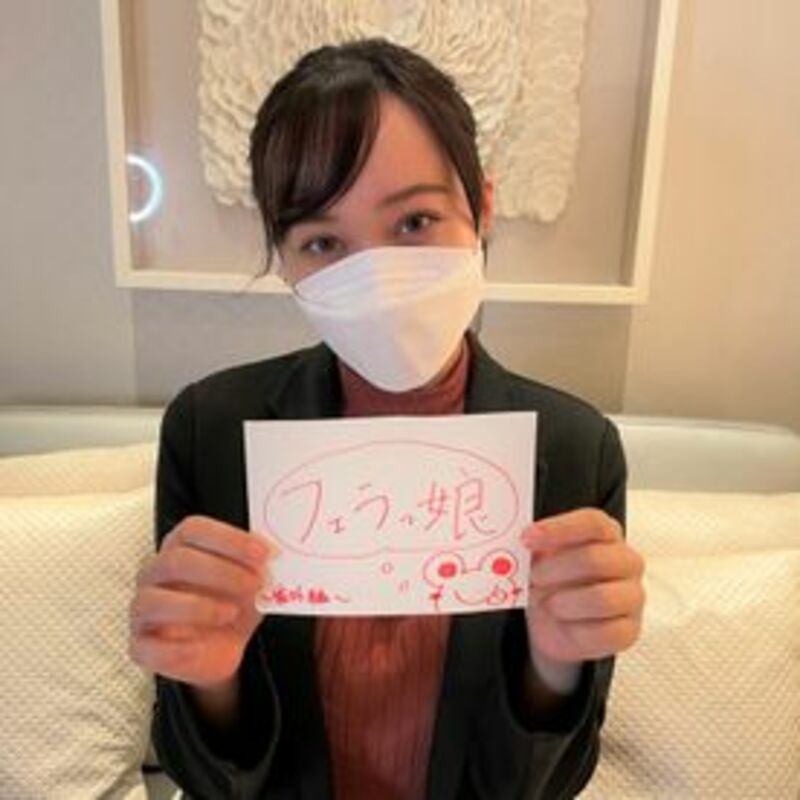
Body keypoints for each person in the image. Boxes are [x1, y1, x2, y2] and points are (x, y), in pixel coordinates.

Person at [129, 38, 645, 800]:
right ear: (283, 258)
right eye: (323, 241)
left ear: (482, 208)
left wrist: (554, 664)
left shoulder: (575, 449)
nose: (374, 275)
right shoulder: (211, 430)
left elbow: (545, 784)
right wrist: (210, 681)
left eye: (414, 222)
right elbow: (203, 775)